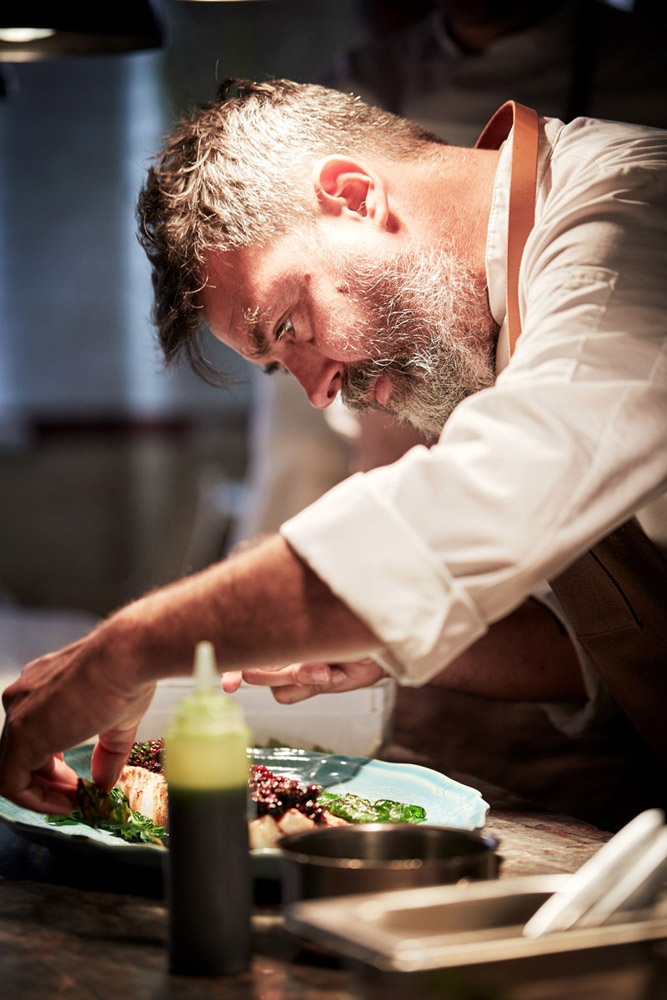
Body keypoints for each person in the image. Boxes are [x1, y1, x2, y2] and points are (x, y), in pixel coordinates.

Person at [0, 79, 666, 830]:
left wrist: (124, 652)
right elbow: (610, 640)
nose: (320, 393)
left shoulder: (627, 223)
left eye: (288, 324)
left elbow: (482, 502)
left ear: (352, 195)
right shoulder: (493, 330)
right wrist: (380, 635)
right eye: (283, 365)